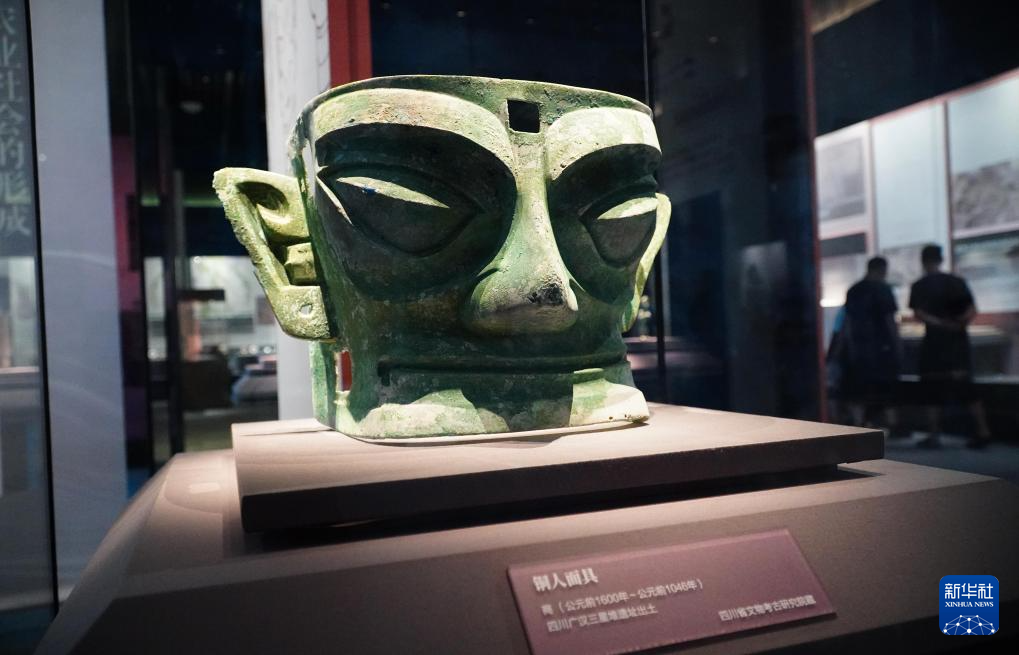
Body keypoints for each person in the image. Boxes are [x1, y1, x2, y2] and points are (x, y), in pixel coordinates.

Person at [908, 244, 991, 448]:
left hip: (934, 343)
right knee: (966, 388)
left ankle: (934, 434)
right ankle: (983, 431)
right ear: (941, 259)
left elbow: (919, 313)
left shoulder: (919, 285)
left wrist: (939, 323)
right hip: (958, 341)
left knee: (932, 389)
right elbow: (972, 310)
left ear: (923, 261)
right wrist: (958, 324)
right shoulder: (957, 282)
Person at [841, 257, 904, 434]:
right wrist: (897, 345)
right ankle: (892, 424)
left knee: (859, 390)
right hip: (882, 348)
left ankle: (859, 424)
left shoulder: (854, 290)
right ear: (882, 270)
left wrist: (849, 346)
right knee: (886, 389)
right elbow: (889, 320)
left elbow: (848, 322)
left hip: (859, 348)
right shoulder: (883, 289)